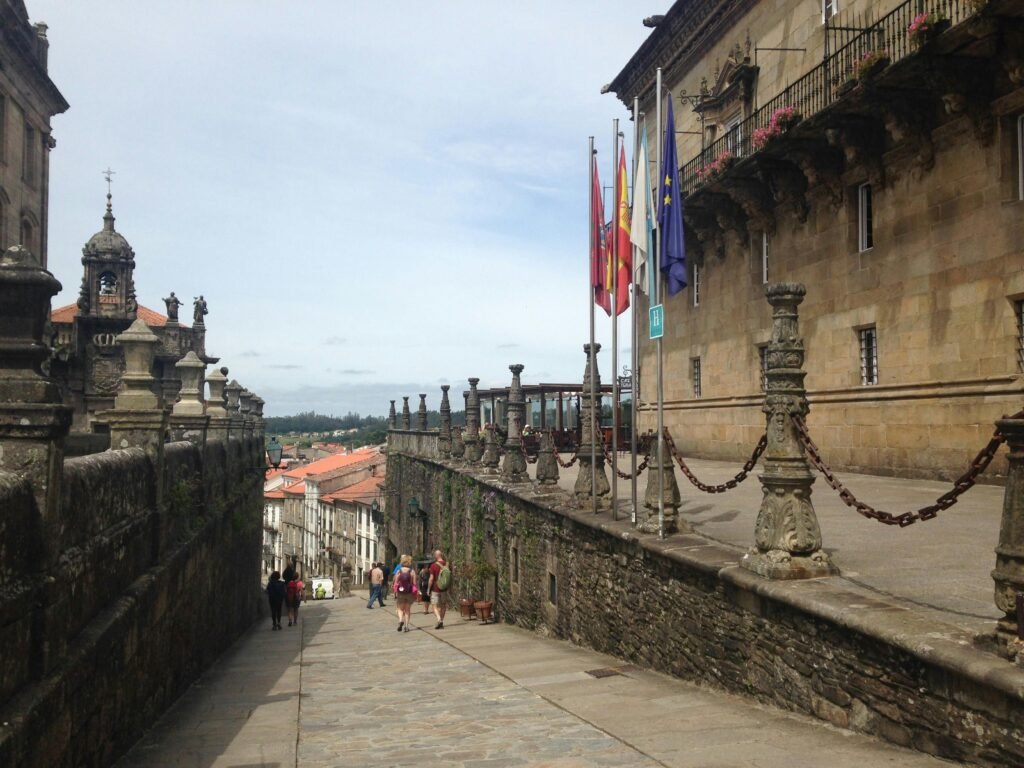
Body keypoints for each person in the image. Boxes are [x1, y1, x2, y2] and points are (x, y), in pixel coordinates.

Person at [392, 554, 417, 632]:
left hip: (401, 592)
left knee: (400, 608)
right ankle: (406, 626)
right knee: (407, 610)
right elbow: (414, 584)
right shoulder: (412, 571)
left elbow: (396, 583)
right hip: (409, 592)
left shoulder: (399, 571)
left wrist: (395, 592)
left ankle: (400, 620)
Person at [428, 549, 448, 630]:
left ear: (436, 556)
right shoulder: (446, 564)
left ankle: (439, 619)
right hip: (444, 588)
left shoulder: (433, 565)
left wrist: (428, 589)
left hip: (435, 588)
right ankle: (441, 621)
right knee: (443, 606)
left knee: (434, 605)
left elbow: (431, 578)